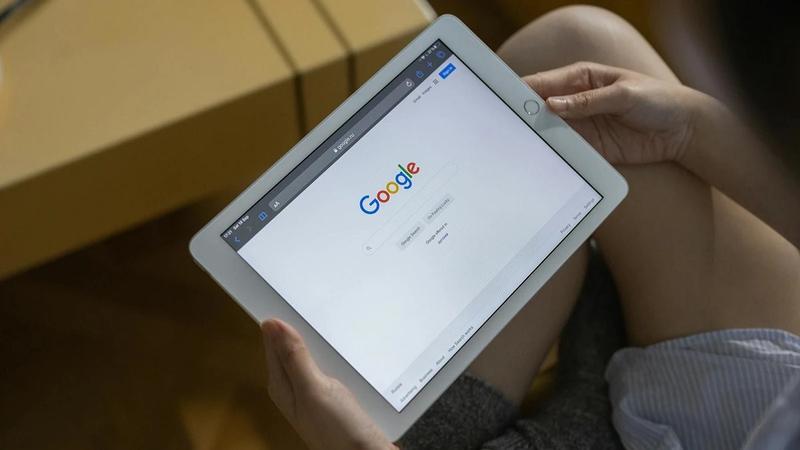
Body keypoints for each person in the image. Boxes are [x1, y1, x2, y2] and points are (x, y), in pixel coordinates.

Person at [260, 4, 800, 449]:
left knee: (362, 402)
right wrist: (691, 129)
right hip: (748, 392)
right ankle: (590, 382)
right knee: (570, 57)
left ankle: (584, 397)